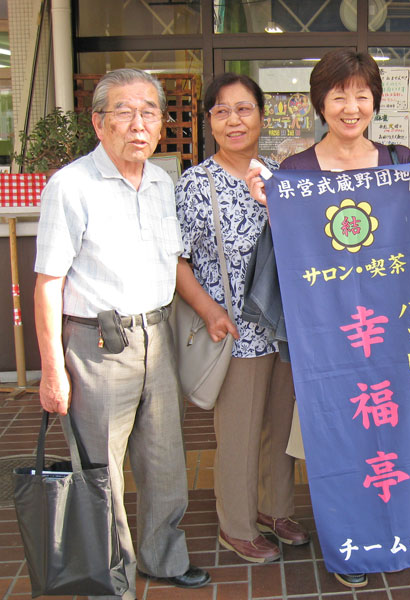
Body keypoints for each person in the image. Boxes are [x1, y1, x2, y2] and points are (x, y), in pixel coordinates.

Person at [248, 48, 410, 588]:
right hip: (327, 340)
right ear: (321, 102)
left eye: (361, 94)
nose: (350, 106)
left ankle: (398, 536)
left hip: (389, 333)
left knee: (391, 431)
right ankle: (350, 543)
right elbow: (293, 254)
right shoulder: (295, 172)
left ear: (375, 102)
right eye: (338, 94)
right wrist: (273, 204)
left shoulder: (398, 163)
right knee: (336, 438)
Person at [33, 68, 210, 600]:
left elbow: (174, 262)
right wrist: (51, 371)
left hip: (156, 334)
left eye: (149, 112)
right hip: (97, 344)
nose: (139, 123)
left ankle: (162, 557)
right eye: (124, 112)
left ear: (161, 124)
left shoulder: (161, 181)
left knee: (163, 460)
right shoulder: (71, 185)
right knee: (99, 471)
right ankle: (110, 577)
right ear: (99, 122)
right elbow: (48, 283)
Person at [175, 73, 309, 565]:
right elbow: (178, 259)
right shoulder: (195, 183)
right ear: (209, 120)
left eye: (244, 109)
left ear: (261, 116)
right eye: (222, 111)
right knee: (238, 432)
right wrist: (208, 310)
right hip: (233, 331)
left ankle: (275, 509)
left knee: (280, 424)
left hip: (284, 328)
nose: (234, 120)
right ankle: (236, 523)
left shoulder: (281, 176)